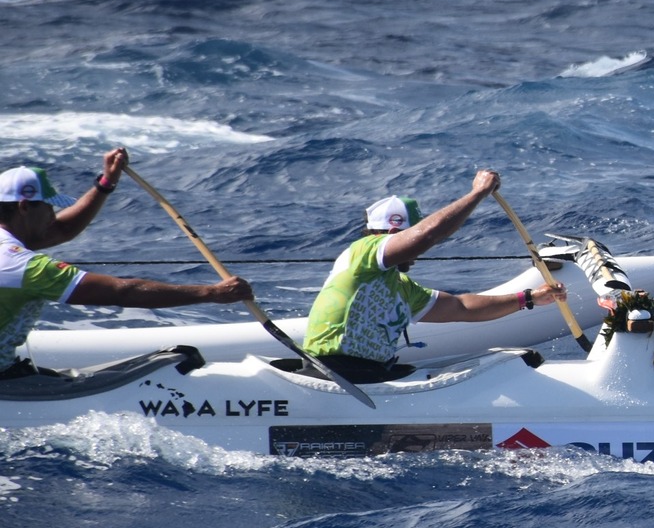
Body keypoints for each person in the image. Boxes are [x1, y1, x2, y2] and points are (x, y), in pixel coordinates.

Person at [2, 151, 250, 375]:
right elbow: (122, 292)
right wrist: (212, 292)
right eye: (49, 207)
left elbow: (62, 229)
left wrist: (105, 184)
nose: (52, 216)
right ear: (24, 207)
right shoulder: (23, 266)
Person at [301, 170, 559, 382]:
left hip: (372, 378)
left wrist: (530, 298)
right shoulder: (362, 254)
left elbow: (463, 308)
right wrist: (478, 194)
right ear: (393, 235)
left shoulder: (402, 289)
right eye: (408, 236)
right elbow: (427, 235)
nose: (417, 255)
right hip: (329, 375)